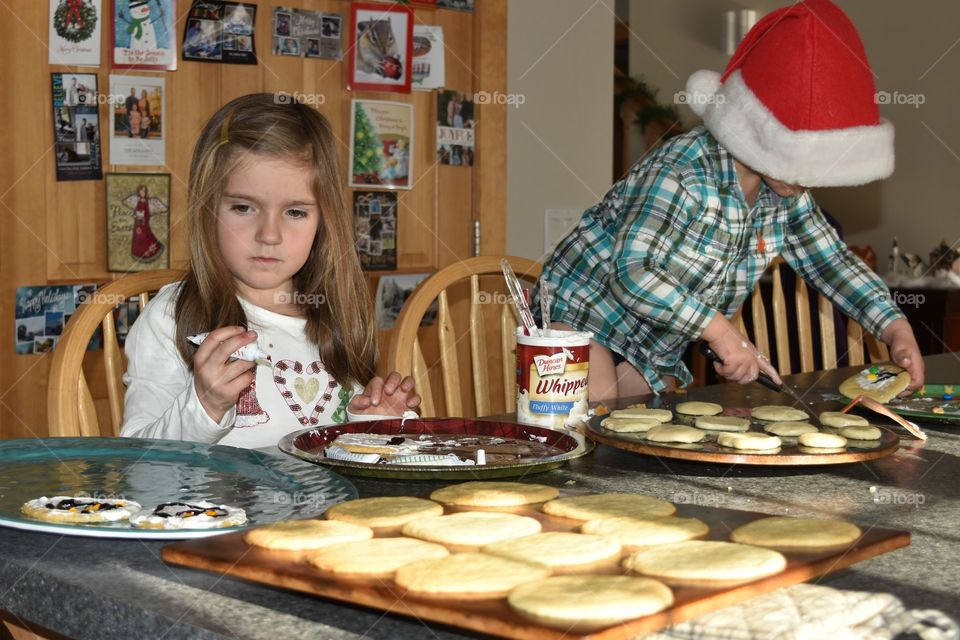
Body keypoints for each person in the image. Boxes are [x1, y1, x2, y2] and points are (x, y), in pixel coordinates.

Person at [539, 0, 923, 402]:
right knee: (587, 421)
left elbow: (833, 263)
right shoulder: (682, 171)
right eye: (798, 163)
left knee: (644, 433)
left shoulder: (786, 192)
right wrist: (721, 332)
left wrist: (893, 326)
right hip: (583, 312)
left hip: (653, 343)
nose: (807, 181)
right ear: (759, 135)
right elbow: (633, 272)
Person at [121, 94, 421, 447]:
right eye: (244, 207)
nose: (269, 235)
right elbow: (138, 462)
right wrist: (205, 404)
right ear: (208, 210)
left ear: (323, 221)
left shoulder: (334, 313)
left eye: (295, 212)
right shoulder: (172, 318)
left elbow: (341, 458)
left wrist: (371, 424)